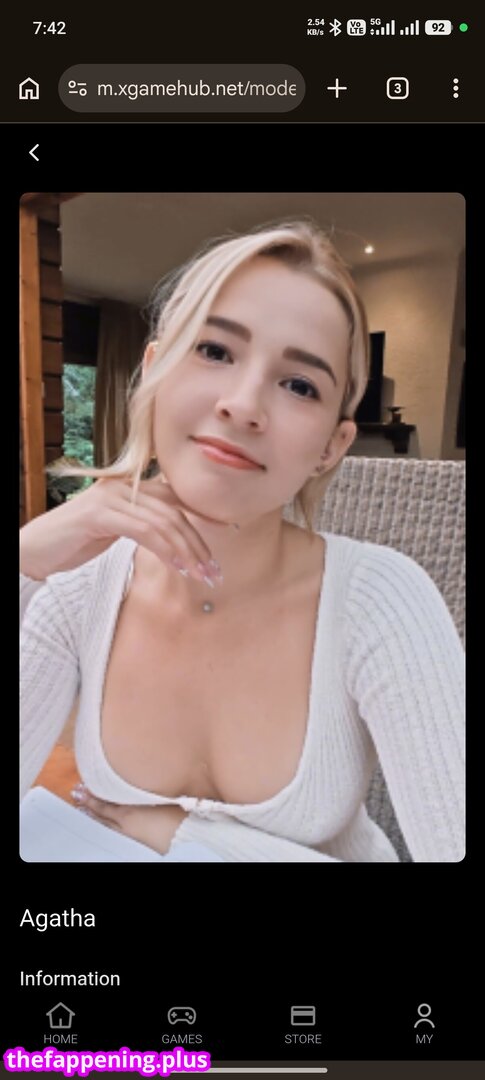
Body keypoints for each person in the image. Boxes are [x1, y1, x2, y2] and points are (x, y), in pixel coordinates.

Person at [20, 218, 465, 862]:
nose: (244, 404)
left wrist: (184, 835)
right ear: (154, 372)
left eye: (300, 385)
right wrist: (27, 558)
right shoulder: (78, 591)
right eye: (215, 350)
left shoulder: (381, 603)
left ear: (331, 446)